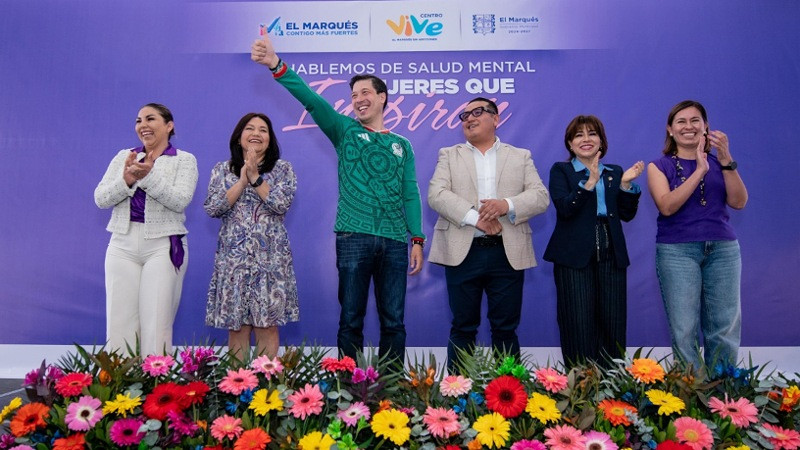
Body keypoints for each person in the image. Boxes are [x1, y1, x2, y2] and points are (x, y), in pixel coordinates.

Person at [251, 32, 425, 366]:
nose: (358, 99)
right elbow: (312, 101)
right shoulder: (345, 130)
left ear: (382, 97)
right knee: (351, 321)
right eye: (353, 94)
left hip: (394, 242)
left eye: (365, 92)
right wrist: (275, 63)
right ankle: (348, 390)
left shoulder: (403, 144)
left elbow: (410, 194)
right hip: (353, 236)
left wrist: (416, 238)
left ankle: (391, 390)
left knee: (394, 323)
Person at [428, 97, 550, 372]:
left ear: (496, 119)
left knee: (505, 328)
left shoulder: (520, 156)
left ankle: (509, 396)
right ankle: (457, 396)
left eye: (478, 112)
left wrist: (505, 205)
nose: (469, 118)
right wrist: (477, 219)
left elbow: (541, 197)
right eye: (465, 115)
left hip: (506, 253)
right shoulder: (449, 154)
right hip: (463, 251)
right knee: (462, 327)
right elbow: (437, 195)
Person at [647, 100, 748, 370]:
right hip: (677, 251)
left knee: (724, 326)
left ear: (706, 127)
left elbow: (739, 202)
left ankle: (724, 398)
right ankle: (693, 397)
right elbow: (667, 206)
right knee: (684, 328)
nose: (688, 126)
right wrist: (699, 171)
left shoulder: (721, 163)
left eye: (695, 121)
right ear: (670, 130)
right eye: (681, 121)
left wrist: (726, 160)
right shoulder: (658, 167)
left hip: (723, 249)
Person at [94, 103, 198, 356]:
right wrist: (128, 179)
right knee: (119, 323)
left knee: (156, 322)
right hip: (121, 245)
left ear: (169, 126)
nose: (143, 125)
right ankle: (121, 389)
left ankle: (156, 388)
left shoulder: (184, 160)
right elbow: (101, 198)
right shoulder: (123, 157)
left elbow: (179, 200)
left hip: (163, 246)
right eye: (139, 120)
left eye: (150, 119)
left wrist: (148, 177)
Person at [543, 115, 644, 368]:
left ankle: (612, 387)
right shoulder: (561, 171)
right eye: (578, 135)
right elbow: (565, 209)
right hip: (573, 256)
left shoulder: (615, 172)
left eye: (592, 134)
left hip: (611, 251)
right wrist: (588, 183)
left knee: (612, 321)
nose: (586, 139)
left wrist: (626, 185)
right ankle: (579, 388)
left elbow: (627, 215)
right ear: (569, 144)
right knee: (577, 321)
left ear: (601, 141)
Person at [204, 113, 299, 360]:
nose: (256, 133)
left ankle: (266, 391)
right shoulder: (221, 170)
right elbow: (213, 207)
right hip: (233, 261)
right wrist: (242, 180)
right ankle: (238, 389)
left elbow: (280, 204)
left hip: (270, 261)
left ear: (270, 139)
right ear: (239, 137)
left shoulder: (283, 169)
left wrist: (255, 178)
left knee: (267, 325)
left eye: (263, 130)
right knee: (237, 327)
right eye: (250, 128)